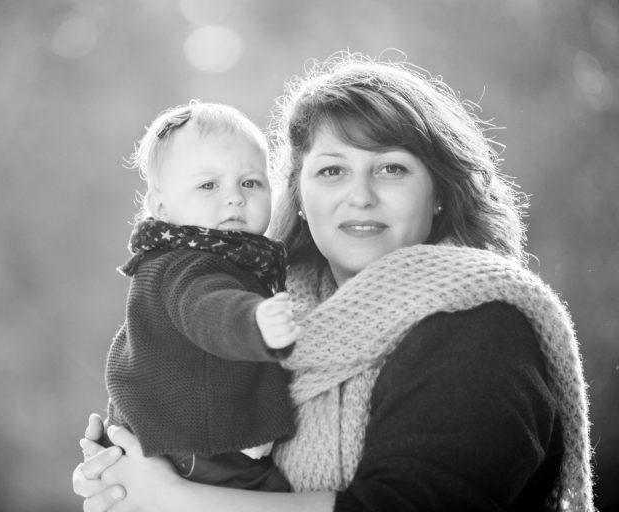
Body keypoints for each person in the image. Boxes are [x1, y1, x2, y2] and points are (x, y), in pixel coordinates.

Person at [73, 53, 595, 512]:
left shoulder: (481, 326)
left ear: (439, 193)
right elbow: (168, 400)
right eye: (331, 171)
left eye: (391, 169)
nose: (361, 196)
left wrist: (172, 499)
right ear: (296, 194)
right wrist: (115, 474)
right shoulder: (269, 307)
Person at [99, 101, 301, 492]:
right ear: (161, 206)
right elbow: (207, 308)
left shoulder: (221, 254)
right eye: (209, 185)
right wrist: (254, 322)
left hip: (185, 438)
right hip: (195, 448)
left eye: (251, 182)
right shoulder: (187, 264)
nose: (235, 198)